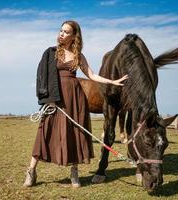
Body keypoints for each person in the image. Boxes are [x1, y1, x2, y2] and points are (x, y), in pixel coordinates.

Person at [23, 20, 128, 188]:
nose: (61, 34)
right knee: (45, 131)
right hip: (55, 98)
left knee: (75, 133)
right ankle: (31, 171)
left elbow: (92, 75)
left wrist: (112, 81)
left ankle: (74, 172)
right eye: (61, 30)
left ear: (74, 36)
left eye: (66, 32)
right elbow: (42, 77)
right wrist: (47, 99)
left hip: (75, 98)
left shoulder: (79, 56)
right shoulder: (51, 53)